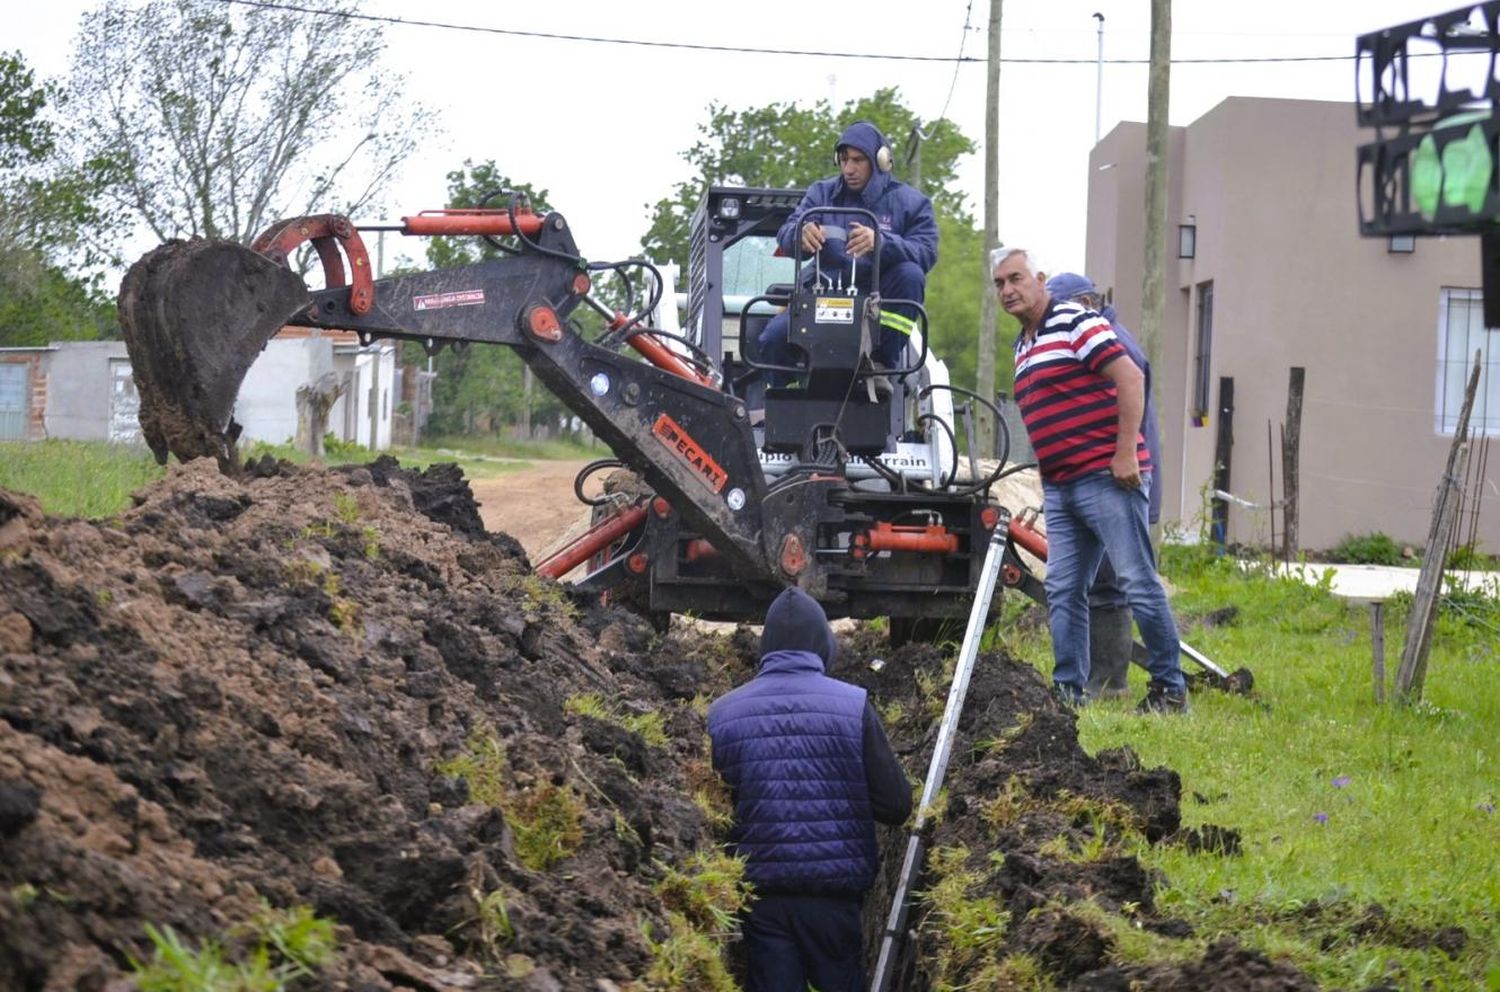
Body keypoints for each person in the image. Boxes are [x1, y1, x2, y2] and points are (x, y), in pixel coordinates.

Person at [992, 247, 1188, 713]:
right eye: (999, 284)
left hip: (1106, 477)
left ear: (1040, 278)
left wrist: (1124, 453)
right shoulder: (1024, 344)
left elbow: (1131, 378)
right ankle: (1068, 693)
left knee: (1136, 581)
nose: (1008, 290)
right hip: (1061, 486)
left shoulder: (1079, 322)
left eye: (1016, 278)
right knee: (1063, 587)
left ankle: (1170, 689)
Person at [707, 586, 911, 991]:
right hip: (835, 902)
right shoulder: (854, 706)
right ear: (823, 643)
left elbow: (717, 814)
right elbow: (896, 805)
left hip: (759, 900)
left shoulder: (723, 715)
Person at [1045, 272, 1163, 699]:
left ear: (1085, 303)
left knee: (1115, 582)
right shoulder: (1096, 337)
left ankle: (1112, 683)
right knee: (1089, 585)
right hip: (1100, 474)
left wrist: (1119, 460)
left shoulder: (1113, 342)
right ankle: (1089, 680)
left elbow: (1124, 406)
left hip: (1119, 477)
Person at [757, 120, 938, 387]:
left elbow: (927, 252)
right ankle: (784, 395)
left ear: (880, 161)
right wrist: (800, 234)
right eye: (843, 160)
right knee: (771, 339)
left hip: (875, 304)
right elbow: (785, 232)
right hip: (820, 300)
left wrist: (882, 243)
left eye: (857, 160)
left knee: (911, 274)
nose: (849, 169)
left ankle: (879, 363)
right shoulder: (820, 194)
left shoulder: (911, 203)